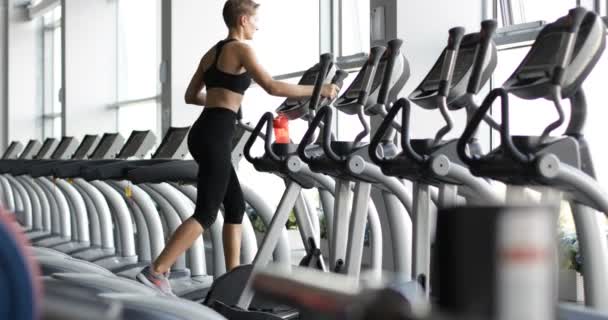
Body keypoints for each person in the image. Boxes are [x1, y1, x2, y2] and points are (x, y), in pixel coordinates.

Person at [136, 0, 339, 296]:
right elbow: (272, 86)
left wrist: (223, 101)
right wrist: (321, 89)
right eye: (256, 20)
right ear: (243, 19)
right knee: (206, 213)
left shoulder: (212, 52)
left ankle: (229, 279)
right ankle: (155, 272)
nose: (258, 25)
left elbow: (191, 96)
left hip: (205, 129)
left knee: (234, 206)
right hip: (216, 133)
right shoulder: (242, 50)